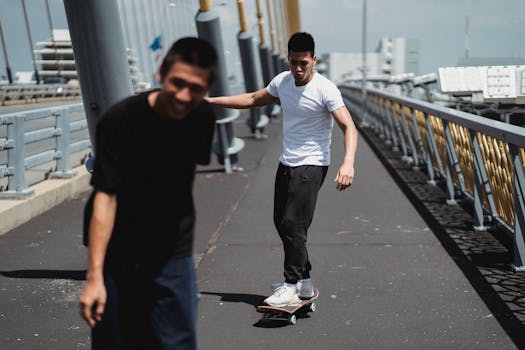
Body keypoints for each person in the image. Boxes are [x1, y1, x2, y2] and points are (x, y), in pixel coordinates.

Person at [79, 37, 218, 350]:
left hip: (172, 248)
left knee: (177, 343)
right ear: (161, 74)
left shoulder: (202, 117)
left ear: (207, 88)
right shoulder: (120, 121)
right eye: (177, 83)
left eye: (195, 88)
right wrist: (94, 278)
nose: (183, 96)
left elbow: (187, 178)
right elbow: (105, 198)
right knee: (116, 342)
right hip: (119, 247)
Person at [207, 32, 358, 307]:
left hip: (312, 163)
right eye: (293, 63)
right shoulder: (282, 81)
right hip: (287, 161)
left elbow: (348, 126)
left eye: (304, 63)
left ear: (314, 59)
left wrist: (347, 162)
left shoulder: (326, 89)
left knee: (293, 224)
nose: (298, 70)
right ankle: (306, 283)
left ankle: (290, 286)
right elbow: (253, 99)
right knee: (283, 224)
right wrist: (211, 102)